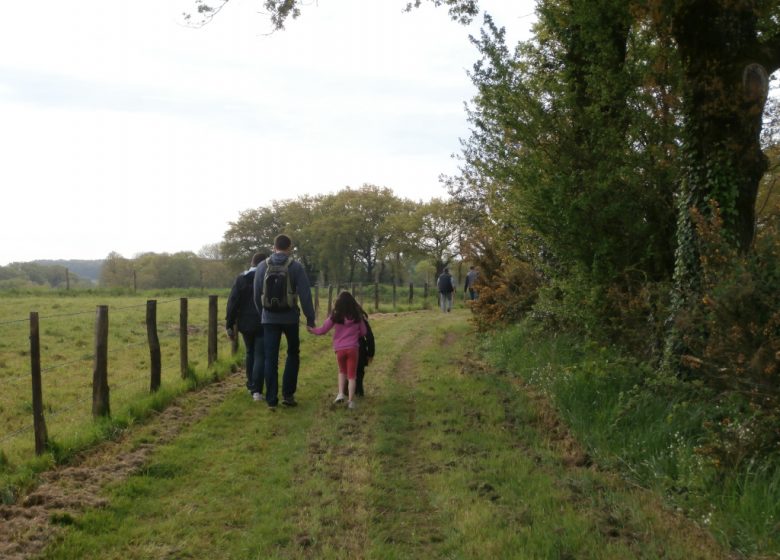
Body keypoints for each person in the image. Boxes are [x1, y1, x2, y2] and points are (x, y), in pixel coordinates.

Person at [253, 234, 316, 410]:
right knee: (292, 353)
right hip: (290, 318)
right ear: (289, 248)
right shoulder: (295, 267)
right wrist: (310, 318)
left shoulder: (261, 266)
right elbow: (305, 294)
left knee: (270, 358)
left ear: (274, 247)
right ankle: (288, 395)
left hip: (269, 319)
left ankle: (271, 400)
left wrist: (262, 314)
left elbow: (256, 294)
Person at [307, 291, 367, 410]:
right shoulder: (357, 316)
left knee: (341, 372)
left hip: (340, 349)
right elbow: (364, 332)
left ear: (338, 303)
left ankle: (340, 394)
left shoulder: (335, 316)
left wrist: (312, 330)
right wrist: (355, 334)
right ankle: (350, 401)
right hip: (353, 349)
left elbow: (323, 330)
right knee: (352, 376)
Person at [225, 252, 267, 401]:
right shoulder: (266, 278)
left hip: (245, 323)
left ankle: (251, 385)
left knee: (250, 353)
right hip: (263, 321)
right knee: (260, 355)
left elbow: (232, 303)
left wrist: (229, 324)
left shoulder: (241, 279)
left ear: (252, 262)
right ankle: (257, 390)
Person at [355, 314, 375, 397]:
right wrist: (371, 353)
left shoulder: (339, 315)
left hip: (343, 347)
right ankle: (359, 391)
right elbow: (369, 336)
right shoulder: (360, 317)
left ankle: (350, 391)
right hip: (360, 347)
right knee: (359, 371)